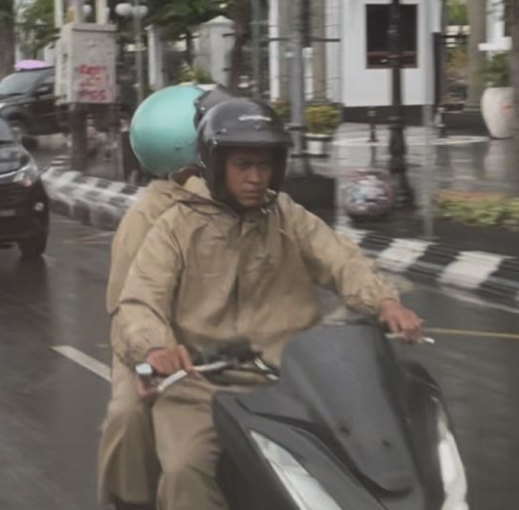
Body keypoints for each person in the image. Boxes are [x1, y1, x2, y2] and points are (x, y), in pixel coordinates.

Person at [112, 98, 422, 510]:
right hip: (205, 384)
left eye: (265, 165)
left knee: (364, 456)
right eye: (244, 165)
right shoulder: (175, 227)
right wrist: (156, 348)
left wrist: (384, 302)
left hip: (290, 380)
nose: (257, 178)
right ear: (214, 164)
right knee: (186, 470)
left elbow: (340, 259)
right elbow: (139, 300)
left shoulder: (286, 216)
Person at [98, 86, 237, 510]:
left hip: (240, 349)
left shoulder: (250, 199)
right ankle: (129, 501)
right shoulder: (149, 214)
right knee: (128, 417)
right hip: (163, 350)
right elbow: (128, 306)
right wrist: (152, 353)